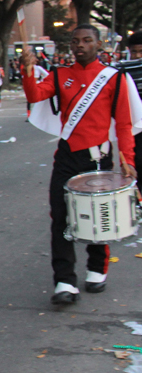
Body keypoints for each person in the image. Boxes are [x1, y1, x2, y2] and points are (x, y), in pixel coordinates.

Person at [22, 24, 139, 305]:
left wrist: (129, 160)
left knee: (100, 214)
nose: (80, 46)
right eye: (75, 41)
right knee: (61, 217)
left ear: (99, 45)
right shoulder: (60, 74)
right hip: (67, 156)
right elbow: (35, 96)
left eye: (87, 41)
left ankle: (97, 269)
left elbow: (123, 123)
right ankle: (64, 280)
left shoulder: (115, 78)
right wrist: (27, 70)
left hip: (99, 156)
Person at [116, 32, 142, 176]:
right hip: (134, 128)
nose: (137, 56)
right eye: (134, 52)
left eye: (141, 52)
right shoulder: (123, 71)